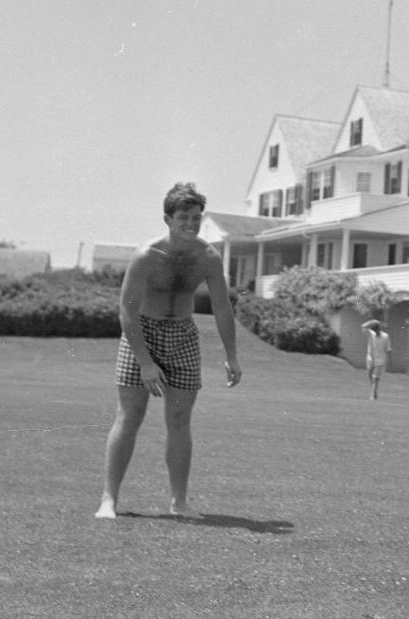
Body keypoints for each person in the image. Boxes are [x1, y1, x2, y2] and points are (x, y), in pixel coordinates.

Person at [94, 182, 241, 520]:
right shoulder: (148, 255)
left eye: (197, 217)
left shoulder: (207, 257)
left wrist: (232, 355)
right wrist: (145, 362)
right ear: (167, 219)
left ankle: (179, 503)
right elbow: (126, 311)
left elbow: (222, 307)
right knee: (129, 416)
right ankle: (109, 500)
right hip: (141, 333)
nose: (191, 223)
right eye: (184, 217)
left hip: (183, 336)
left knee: (179, 420)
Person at [361, 319, 392, 400]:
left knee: (375, 378)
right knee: (370, 376)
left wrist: (390, 361)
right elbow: (363, 326)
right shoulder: (371, 334)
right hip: (370, 359)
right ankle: (374, 392)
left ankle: (372, 395)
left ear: (379, 329)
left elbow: (388, 350)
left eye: (376, 329)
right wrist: (372, 321)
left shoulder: (385, 336)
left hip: (380, 360)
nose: (375, 332)